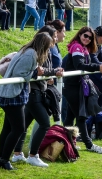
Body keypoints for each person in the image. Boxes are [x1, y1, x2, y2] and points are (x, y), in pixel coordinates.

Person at [0, 32, 53, 170]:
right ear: (43, 45)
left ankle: (0, 159)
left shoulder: (25, 50)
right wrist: (35, 73)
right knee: (18, 129)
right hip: (13, 95)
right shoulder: (31, 54)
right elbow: (19, 74)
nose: (48, 50)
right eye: (48, 47)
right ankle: (4, 159)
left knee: (8, 128)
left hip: (8, 93)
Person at [11, 26, 64, 167]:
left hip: (35, 91)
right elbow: (38, 70)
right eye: (54, 36)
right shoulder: (35, 52)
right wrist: (52, 72)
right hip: (33, 93)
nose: (55, 38)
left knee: (24, 125)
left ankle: (17, 154)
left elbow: (42, 71)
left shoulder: (41, 50)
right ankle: (33, 155)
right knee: (45, 124)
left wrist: (50, 74)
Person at [63, 26, 102, 154]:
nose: (87, 38)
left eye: (90, 37)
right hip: (72, 86)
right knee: (81, 117)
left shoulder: (84, 48)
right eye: (85, 36)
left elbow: (95, 61)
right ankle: (89, 144)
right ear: (79, 35)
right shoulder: (77, 47)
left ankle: (67, 143)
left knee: (70, 117)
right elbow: (80, 65)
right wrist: (99, 66)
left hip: (76, 86)